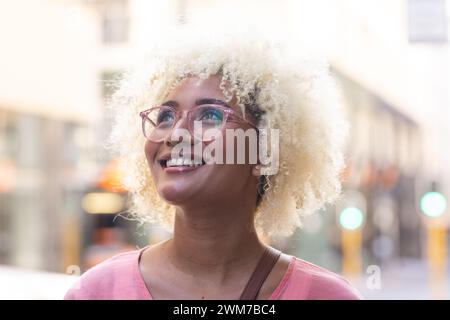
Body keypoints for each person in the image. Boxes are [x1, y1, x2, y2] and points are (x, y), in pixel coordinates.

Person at [65, 31, 362, 300]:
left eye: (210, 115)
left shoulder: (326, 297)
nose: (176, 133)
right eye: (165, 117)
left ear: (264, 152)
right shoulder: (97, 292)